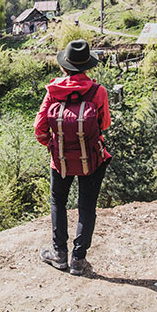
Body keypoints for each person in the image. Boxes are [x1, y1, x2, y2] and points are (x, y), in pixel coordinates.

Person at [34, 39, 112, 276]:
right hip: (92, 159)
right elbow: (105, 124)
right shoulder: (98, 92)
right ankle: (78, 260)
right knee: (86, 206)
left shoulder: (52, 92)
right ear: (87, 66)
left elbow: (39, 130)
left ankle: (59, 254)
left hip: (61, 160)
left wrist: (58, 145)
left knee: (58, 201)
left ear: (64, 66)